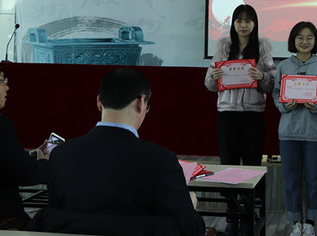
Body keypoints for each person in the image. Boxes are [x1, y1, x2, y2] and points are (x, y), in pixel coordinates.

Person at [47, 67, 205, 236]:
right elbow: (191, 230)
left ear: (99, 102)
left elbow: (55, 222)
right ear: (140, 103)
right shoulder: (160, 161)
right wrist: (190, 206)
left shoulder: (60, 155)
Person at [204, 4, 275, 235]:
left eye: (248, 20)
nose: (243, 25)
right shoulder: (223, 48)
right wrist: (214, 77)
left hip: (253, 115)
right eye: (239, 20)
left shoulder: (262, 50)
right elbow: (209, 84)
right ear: (233, 24)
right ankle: (232, 215)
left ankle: (249, 214)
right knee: (228, 165)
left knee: (252, 166)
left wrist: (261, 76)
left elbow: (272, 84)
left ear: (255, 23)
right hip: (228, 114)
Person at [272, 22, 317, 236]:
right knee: (291, 179)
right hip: (289, 132)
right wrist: (285, 105)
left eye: (310, 37)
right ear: (293, 40)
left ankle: (311, 221)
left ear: (315, 41)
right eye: (300, 37)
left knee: (314, 179)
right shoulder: (284, 66)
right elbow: (276, 93)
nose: (305, 41)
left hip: (315, 133)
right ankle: (295, 221)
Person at [0, 64, 49, 229]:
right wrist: (44, 161)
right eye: (2, 80)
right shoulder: (1, 125)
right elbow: (27, 175)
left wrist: (28, 156)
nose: (7, 87)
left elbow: (6, 161)